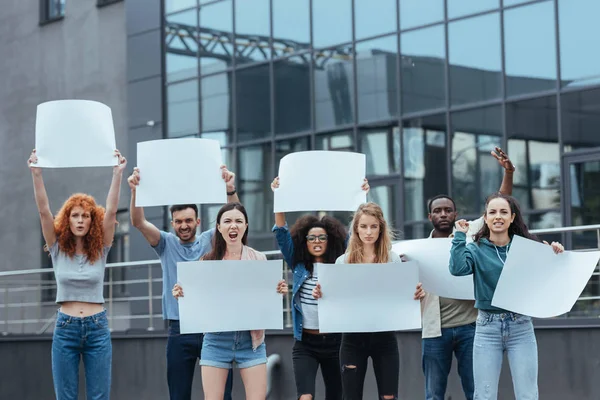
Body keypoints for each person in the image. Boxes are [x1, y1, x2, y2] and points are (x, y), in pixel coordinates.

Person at [127, 166, 238, 400]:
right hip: (179, 330)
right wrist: (135, 191)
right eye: (178, 221)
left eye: (188, 220)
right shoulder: (166, 243)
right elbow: (138, 222)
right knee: (178, 395)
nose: (184, 225)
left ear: (198, 221)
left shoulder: (210, 239)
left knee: (222, 396)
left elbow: (233, 222)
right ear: (172, 223)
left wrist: (230, 191)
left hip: (213, 328)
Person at [29, 149, 126, 400]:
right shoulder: (57, 248)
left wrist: (117, 174)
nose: (81, 220)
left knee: (99, 396)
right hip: (66, 328)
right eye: (75, 215)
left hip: (97, 328)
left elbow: (113, 211)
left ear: (92, 220)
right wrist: (37, 174)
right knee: (66, 396)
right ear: (68, 220)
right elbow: (43, 211)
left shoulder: (102, 249)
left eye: (86, 216)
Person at [420, 146, 515, 400]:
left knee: (476, 392)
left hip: (471, 327)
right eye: (437, 211)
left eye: (447, 210)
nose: (443, 214)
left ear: (455, 214)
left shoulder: (470, 232)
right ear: (429, 216)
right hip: (434, 331)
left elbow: (500, 202)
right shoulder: (418, 250)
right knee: (433, 394)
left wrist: (508, 171)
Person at [450, 193, 564, 400]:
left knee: (527, 395)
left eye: (504, 212)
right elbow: (457, 269)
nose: (498, 216)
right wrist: (460, 235)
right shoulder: (475, 249)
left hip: (520, 326)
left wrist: (555, 252)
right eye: (492, 212)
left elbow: (548, 276)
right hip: (487, 328)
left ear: (512, 218)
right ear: (485, 218)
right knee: (484, 395)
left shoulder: (527, 248)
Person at [172, 202, 288, 400]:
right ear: (218, 227)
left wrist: (278, 291)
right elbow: (199, 302)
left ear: (245, 226)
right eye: (227, 221)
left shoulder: (259, 259)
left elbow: (265, 299)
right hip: (216, 341)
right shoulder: (207, 262)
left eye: (238, 221)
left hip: (251, 342)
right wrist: (184, 293)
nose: (233, 225)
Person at [270, 176, 369, 400]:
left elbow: (356, 233)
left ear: (330, 239)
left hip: (336, 342)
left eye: (321, 237)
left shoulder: (341, 261)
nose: (316, 240)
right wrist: (279, 196)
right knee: (305, 396)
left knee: (336, 395)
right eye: (311, 237)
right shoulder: (297, 263)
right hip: (305, 343)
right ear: (304, 241)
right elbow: (281, 231)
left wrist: (361, 197)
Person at [313, 202, 425, 400]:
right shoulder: (343, 262)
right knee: (351, 396)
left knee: (389, 397)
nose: (368, 232)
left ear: (381, 228)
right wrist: (322, 294)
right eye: (363, 226)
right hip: (352, 340)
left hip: (385, 337)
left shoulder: (392, 259)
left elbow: (401, 297)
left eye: (374, 226)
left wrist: (414, 294)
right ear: (356, 228)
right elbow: (336, 300)